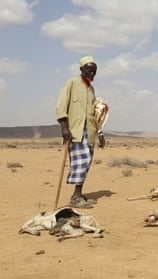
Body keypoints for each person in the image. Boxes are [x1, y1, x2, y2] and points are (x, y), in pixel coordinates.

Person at [56, 55, 105, 209]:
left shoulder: (91, 89)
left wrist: (100, 133)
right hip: (75, 131)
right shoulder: (71, 83)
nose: (92, 75)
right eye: (89, 71)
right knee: (80, 162)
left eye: (94, 72)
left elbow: (95, 114)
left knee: (87, 162)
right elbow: (61, 105)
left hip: (89, 132)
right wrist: (64, 127)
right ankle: (76, 197)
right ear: (81, 70)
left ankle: (79, 194)